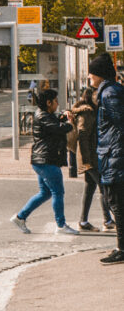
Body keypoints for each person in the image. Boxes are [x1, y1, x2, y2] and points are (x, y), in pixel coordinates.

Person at [10, 87, 78, 235]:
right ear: (48, 103)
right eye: (55, 101)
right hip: (46, 159)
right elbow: (57, 128)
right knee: (58, 192)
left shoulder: (44, 114)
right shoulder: (43, 117)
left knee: (45, 192)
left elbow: (55, 121)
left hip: (41, 159)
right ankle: (61, 225)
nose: (57, 104)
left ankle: (20, 217)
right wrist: (70, 124)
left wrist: (63, 116)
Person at [88, 52, 124, 264]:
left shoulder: (109, 94)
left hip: (115, 154)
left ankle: (122, 249)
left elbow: (120, 122)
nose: (90, 78)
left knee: (117, 204)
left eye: (92, 73)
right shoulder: (110, 91)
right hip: (113, 153)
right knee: (116, 203)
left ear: (100, 74)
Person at [70, 86, 114, 231]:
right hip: (88, 158)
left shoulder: (92, 111)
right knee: (104, 187)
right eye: (97, 95)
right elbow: (82, 136)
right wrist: (86, 161)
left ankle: (83, 222)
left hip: (92, 156)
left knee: (90, 188)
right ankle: (107, 220)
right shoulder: (87, 112)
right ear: (90, 96)